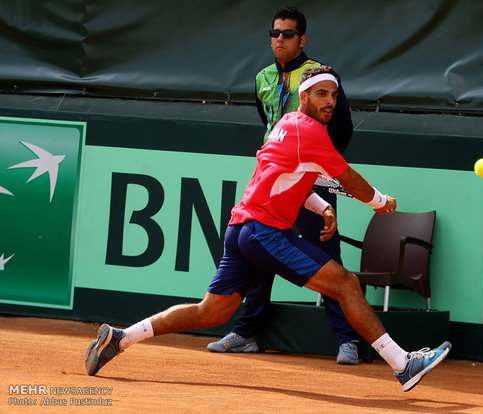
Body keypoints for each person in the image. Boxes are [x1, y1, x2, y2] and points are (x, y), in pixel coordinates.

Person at [84, 66, 451, 392]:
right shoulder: (312, 132)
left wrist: (322, 206)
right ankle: (404, 364)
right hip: (265, 231)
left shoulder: (285, 124)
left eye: (334, 95)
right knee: (346, 284)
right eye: (322, 94)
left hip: (242, 229)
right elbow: (351, 181)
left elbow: (285, 178)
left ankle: (120, 338)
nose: (330, 101)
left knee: (211, 312)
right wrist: (380, 202)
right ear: (304, 96)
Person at [207, 6, 360, 364]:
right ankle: (246, 333)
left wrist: (321, 171)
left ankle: (346, 340)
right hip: (270, 185)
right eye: (274, 33)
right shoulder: (261, 77)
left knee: (326, 254)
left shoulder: (320, 75)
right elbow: (269, 126)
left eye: (287, 34)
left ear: (302, 39)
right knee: (257, 253)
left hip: (311, 181)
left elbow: (343, 127)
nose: (279, 39)